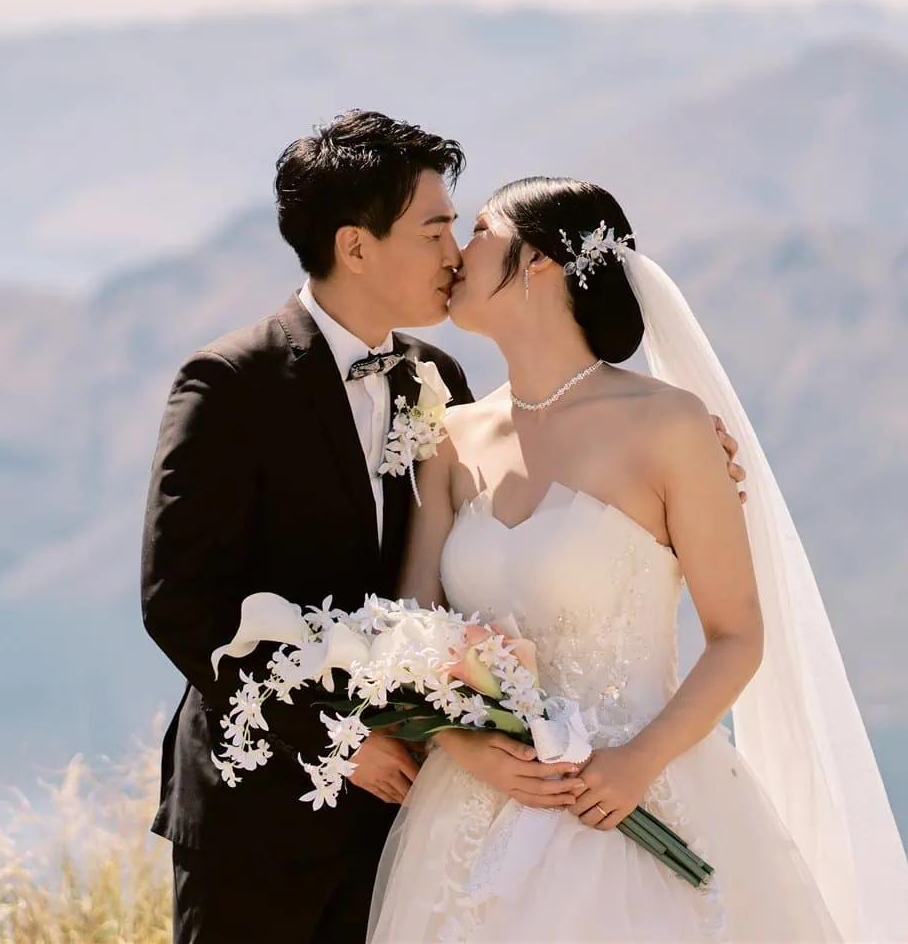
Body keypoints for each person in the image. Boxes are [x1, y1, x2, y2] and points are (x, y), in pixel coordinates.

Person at [142, 113, 755, 944]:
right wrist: (346, 736)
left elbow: (460, 572)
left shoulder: (437, 382)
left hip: (419, 821)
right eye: (435, 230)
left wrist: (686, 458)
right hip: (269, 810)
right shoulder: (231, 384)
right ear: (357, 247)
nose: (453, 254)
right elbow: (184, 605)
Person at [368, 177, 908, 943]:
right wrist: (466, 746)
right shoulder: (448, 437)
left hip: (639, 795)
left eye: (484, 230)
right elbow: (411, 631)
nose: (460, 251)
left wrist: (637, 763)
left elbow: (737, 634)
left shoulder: (669, 426)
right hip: (472, 819)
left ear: (542, 263)